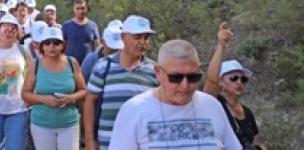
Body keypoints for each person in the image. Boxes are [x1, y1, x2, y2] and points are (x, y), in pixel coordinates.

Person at [109, 40, 242, 150]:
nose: (184, 86)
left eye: (193, 77)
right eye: (176, 78)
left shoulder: (212, 106)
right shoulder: (134, 110)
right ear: (157, 72)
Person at [84, 14, 159, 150]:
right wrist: (89, 140)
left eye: (146, 37)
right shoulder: (103, 66)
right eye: (137, 37)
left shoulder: (155, 70)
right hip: (108, 143)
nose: (143, 42)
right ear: (123, 37)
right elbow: (90, 103)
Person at [203, 22, 268, 150]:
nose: (239, 82)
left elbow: (257, 142)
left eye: (243, 79)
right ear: (221, 81)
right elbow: (211, 80)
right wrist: (221, 45)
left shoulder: (246, 112)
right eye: (233, 78)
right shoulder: (215, 104)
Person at [21, 26, 86, 150]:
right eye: (47, 42)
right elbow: (25, 94)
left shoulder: (72, 63)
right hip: (42, 123)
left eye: (56, 42)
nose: (51, 46)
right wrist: (45, 99)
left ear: (62, 45)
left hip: (69, 122)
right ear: (42, 46)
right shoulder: (35, 64)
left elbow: (83, 90)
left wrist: (70, 98)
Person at [0, 14, 33, 150]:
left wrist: (30, 96)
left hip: (17, 109)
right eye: (6, 28)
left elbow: (31, 75)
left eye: (13, 29)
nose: (9, 32)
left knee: (15, 147)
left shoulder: (23, 51)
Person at [61, 0, 99, 65]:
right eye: (78, 9)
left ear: (86, 8)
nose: (80, 11)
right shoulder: (66, 25)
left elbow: (97, 45)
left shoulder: (93, 25)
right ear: (73, 9)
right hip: (70, 64)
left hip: (88, 65)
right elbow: (61, 45)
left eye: (82, 8)